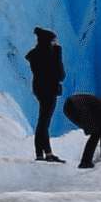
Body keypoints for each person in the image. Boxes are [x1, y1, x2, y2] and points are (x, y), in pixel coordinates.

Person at [27, 27, 65, 162]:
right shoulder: (49, 55)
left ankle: (43, 153)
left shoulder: (35, 55)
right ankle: (43, 154)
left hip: (40, 89)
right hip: (48, 90)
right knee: (44, 122)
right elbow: (60, 74)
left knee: (43, 121)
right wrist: (57, 55)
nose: (55, 43)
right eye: (53, 41)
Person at [62, 91, 101, 169]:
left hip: (70, 105)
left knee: (96, 132)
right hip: (75, 106)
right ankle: (85, 162)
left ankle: (86, 161)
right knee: (96, 133)